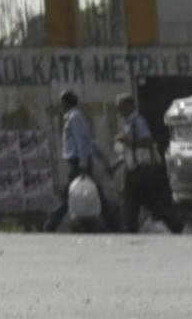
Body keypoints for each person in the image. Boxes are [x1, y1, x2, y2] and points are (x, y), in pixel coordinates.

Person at [52, 89, 107, 232]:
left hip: (78, 162)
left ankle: (50, 226)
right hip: (79, 161)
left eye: (62, 102)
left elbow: (80, 142)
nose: (60, 106)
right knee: (95, 193)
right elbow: (90, 141)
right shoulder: (76, 117)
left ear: (66, 102)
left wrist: (82, 164)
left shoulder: (74, 117)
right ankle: (110, 222)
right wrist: (105, 160)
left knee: (69, 195)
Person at [118, 98, 175, 232]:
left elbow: (147, 141)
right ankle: (130, 228)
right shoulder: (128, 123)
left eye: (121, 106)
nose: (119, 111)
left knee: (143, 201)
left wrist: (128, 141)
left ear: (129, 105)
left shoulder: (138, 121)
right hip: (133, 170)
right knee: (140, 201)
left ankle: (174, 224)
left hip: (141, 170)